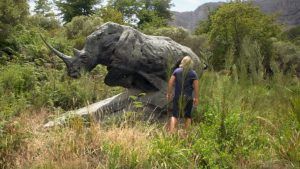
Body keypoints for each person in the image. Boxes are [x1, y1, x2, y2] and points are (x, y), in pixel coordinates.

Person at [166, 56, 199, 133]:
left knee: (175, 116)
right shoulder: (193, 73)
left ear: (182, 62)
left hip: (178, 97)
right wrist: (196, 97)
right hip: (188, 98)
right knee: (187, 117)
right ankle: (186, 135)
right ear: (191, 64)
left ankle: (172, 134)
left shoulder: (176, 71)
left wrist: (169, 93)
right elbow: (196, 86)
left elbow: (171, 82)